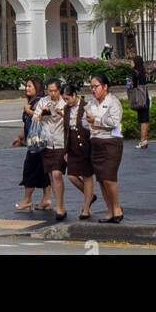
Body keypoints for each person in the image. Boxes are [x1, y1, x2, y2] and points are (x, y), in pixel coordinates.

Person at [86, 71, 124, 223]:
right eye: (91, 87)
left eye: (96, 86)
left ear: (105, 87)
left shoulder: (114, 102)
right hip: (95, 143)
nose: (93, 90)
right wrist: (95, 123)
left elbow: (113, 122)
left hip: (111, 143)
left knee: (109, 178)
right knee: (101, 179)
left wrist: (96, 121)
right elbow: (85, 122)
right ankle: (109, 210)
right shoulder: (91, 104)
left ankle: (117, 208)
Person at [12, 77, 52, 212]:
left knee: (29, 169)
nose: (27, 88)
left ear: (37, 87)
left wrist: (27, 110)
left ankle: (27, 200)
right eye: (26, 86)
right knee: (43, 171)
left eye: (30, 86)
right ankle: (46, 199)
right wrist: (20, 137)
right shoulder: (33, 102)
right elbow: (28, 125)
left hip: (37, 142)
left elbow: (40, 116)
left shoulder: (38, 101)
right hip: (37, 141)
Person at [32, 76, 68, 221]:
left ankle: (60, 206)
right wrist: (42, 113)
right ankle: (58, 202)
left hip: (60, 142)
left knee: (57, 174)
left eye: (54, 91)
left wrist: (60, 113)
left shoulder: (65, 102)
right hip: (46, 143)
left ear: (59, 90)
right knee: (52, 177)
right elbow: (34, 119)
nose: (52, 94)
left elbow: (72, 119)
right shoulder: (43, 101)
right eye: (50, 91)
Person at [62, 81, 96, 220]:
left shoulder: (86, 106)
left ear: (74, 95)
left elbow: (92, 125)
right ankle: (90, 196)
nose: (65, 101)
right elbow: (65, 130)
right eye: (64, 99)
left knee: (87, 176)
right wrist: (66, 150)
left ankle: (86, 208)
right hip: (73, 145)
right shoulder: (66, 109)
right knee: (72, 176)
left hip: (86, 145)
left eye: (67, 98)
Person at [127, 54, 150, 149]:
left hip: (139, 98)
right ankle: (144, 140)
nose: (131, 63)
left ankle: (143, 141)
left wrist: (130, 82)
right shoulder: (142, 72)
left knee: (142, 120)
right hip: (145, 97)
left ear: (136, 63)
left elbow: (134, 85)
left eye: (132, 61)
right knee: (145, 119)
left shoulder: (134, 72)